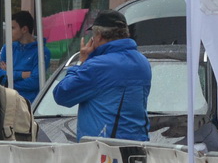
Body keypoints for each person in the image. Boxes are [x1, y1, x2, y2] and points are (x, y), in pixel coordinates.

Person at [50, 9, 152, 141]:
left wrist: (82, 61)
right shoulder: (142, 62)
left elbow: (62, 94)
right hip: (137, 143)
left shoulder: (98, 66)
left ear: (98, 36)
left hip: (105, 149)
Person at [0, 10, 49, 103]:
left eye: (12, 28)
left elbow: (35, 82)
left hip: (28, 103)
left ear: (24, 29)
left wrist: (8, 77)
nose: (9, 31)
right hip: (7, 101)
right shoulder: (7, 48)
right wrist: (21, 74)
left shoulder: (41, 52)